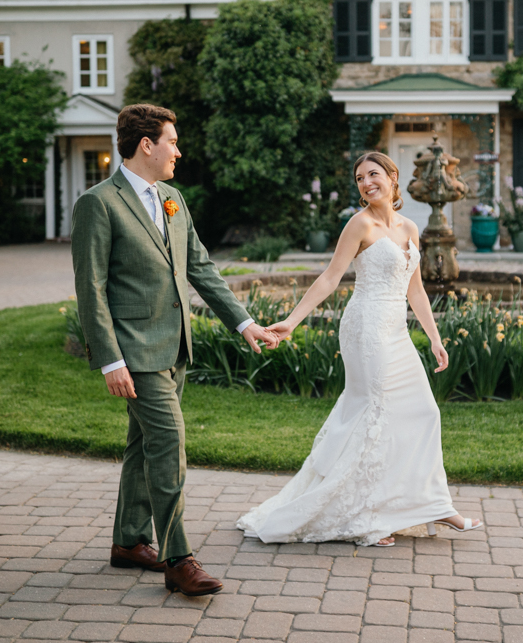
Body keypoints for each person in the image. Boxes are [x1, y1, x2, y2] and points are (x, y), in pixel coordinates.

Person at [71, 103, 278, 595]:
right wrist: (111, 360)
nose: (178, 152)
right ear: (147, 145)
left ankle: (128, 542)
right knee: (169, 448)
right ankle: (178, 558)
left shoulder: (172, 200)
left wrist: (245, 323)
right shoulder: (97, 204)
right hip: (134, 353)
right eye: (172, 141)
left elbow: (201, 268)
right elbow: (91, 289)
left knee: (143, 446)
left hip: (174, 347)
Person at [237, 152, 483, 547]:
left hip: (396, 331)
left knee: (424, 410)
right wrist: (293, 321)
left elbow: (415, 290)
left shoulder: (410, 227)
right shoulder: (359, 224)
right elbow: (330, 278)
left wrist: (435, 338)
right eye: (360, 179)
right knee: (376, 415)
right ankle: (370, 516)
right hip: (365, 328)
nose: (367, 183)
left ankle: (434, 503)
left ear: (392, 177)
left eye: (373, 174)